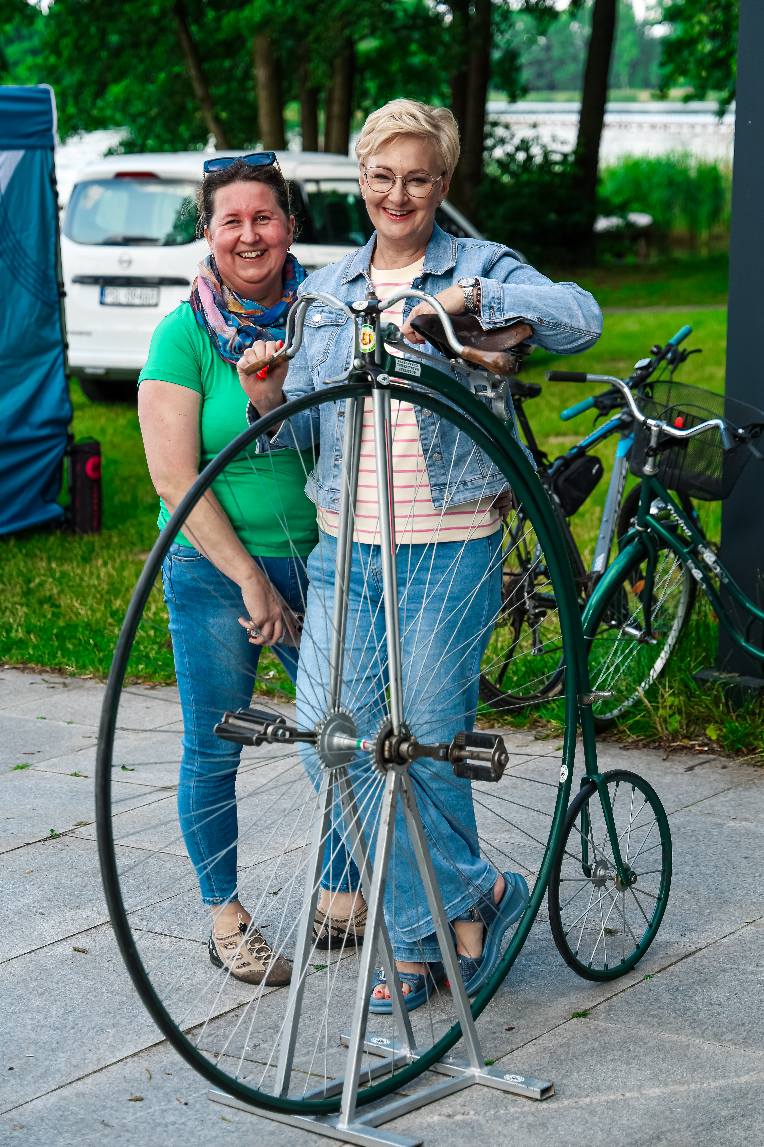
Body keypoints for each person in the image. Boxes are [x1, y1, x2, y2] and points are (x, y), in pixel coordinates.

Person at [237, 100, 603, 1011]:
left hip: (450, 550)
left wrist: (467, 302)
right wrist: (267, 397)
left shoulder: (477, 266)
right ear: (362, 180)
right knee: (332, 739)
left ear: (443, 184)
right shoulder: (325, 290)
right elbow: (306, 434)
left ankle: (423, 941)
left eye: (419, 178)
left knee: (426, 749)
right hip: (345, 547)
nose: (399, 194)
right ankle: (460, 900)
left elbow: (580, 318)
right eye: (382, 176)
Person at [137, 153, 358, 987]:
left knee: (347, 727)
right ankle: (226, 914)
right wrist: (248, 579)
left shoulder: (326, 317)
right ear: (207, 233)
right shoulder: (183, 334)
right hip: (211, 566)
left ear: (291, 227)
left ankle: (340, 895)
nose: (249, 234)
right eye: (231, 220)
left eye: (264, 217)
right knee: (215, 743)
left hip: (327, 553)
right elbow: (172, 479)